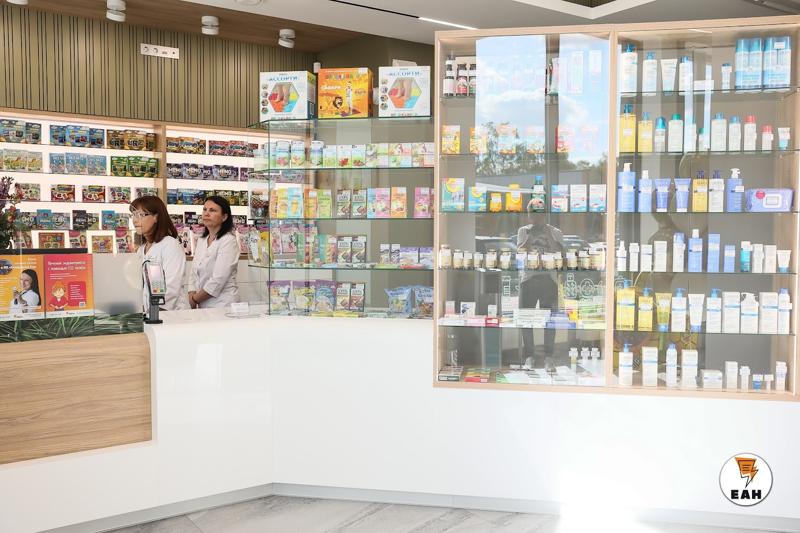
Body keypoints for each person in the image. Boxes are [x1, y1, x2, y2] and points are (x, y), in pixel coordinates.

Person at [131, 195, 189, 311]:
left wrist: (153, 313)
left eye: (140, 215)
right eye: (133, 215)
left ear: (156, 217)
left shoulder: (170, 245)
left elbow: (171, 288)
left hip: (171, 314)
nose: (135, 220)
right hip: (149, 314)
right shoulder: (142, 249)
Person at [188, 195, 240, 309]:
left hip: (223, 305)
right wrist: (191, 293)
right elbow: (193, 273)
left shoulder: (228, 241)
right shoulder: (202, 240)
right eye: (205, 209)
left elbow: (218, 280)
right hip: (202, 305)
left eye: (212, 210)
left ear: (224, 217)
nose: (206, 214)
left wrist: (194, 299)